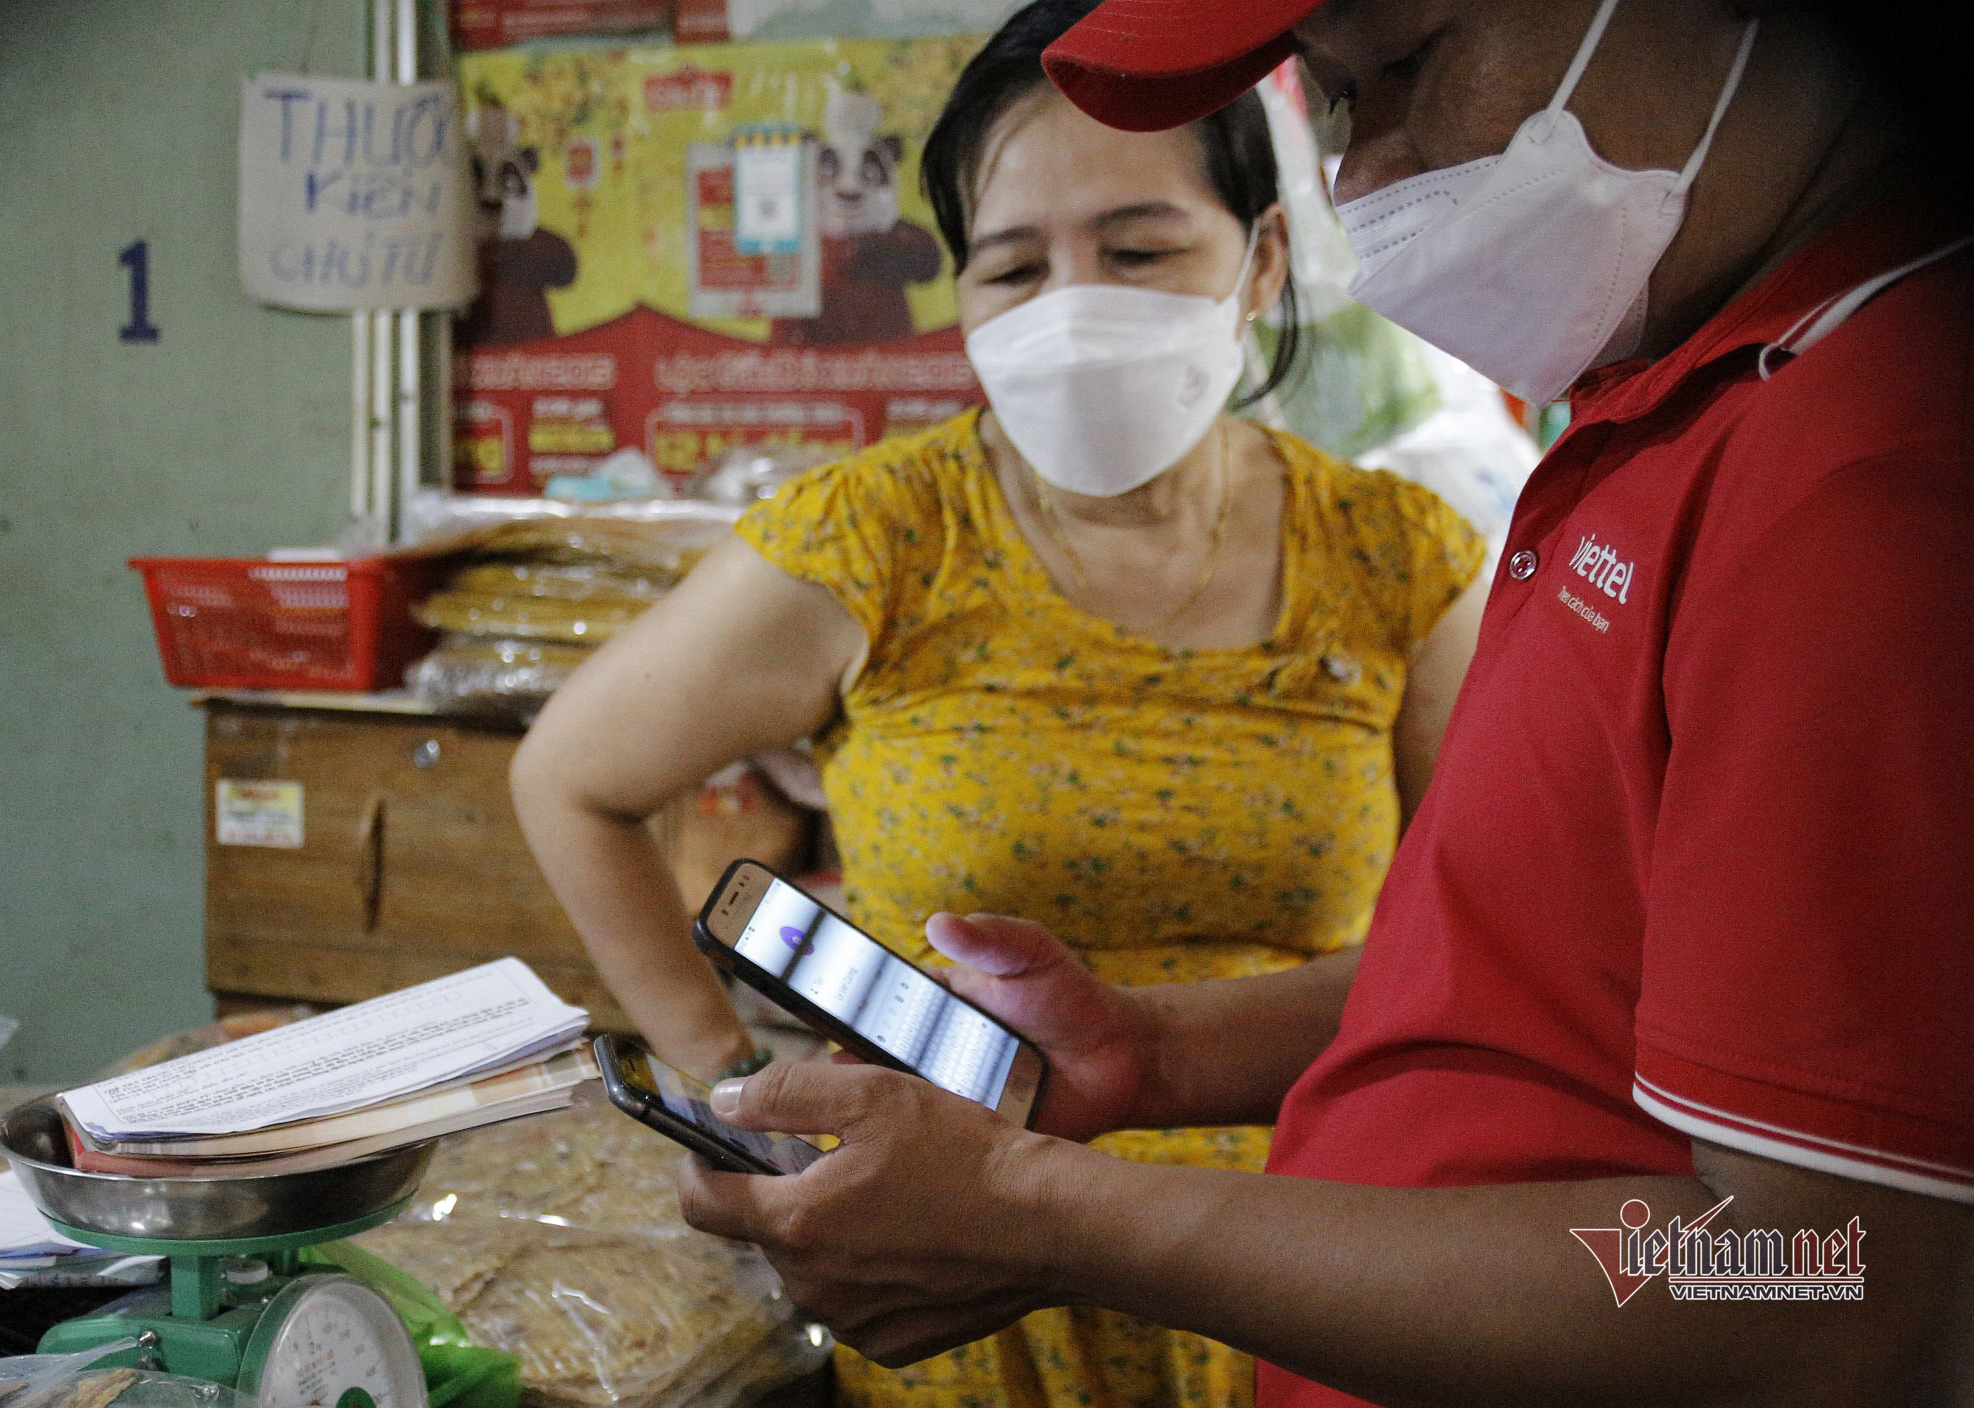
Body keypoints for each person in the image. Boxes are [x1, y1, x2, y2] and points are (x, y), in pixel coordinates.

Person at [674, 0, 1974, 1404]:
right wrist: (1157, 1053)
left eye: (1406, 68)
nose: (1369, 180)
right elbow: (1555, 971)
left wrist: (1049, 1213)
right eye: (1342, 106)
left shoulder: (1864, 477)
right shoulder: (1670, 400)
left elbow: (1822, 1278)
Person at [509, 3, 1488, 1405]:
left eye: (1140, 251)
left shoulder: (1400, 558)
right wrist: (733, 1086)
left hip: (1308, 1271)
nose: (1074, 309)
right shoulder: (878, 537)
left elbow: (1483, 946)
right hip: (965, 1290)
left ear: (1262, 260)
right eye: (1013, 266)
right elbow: (571, 778)